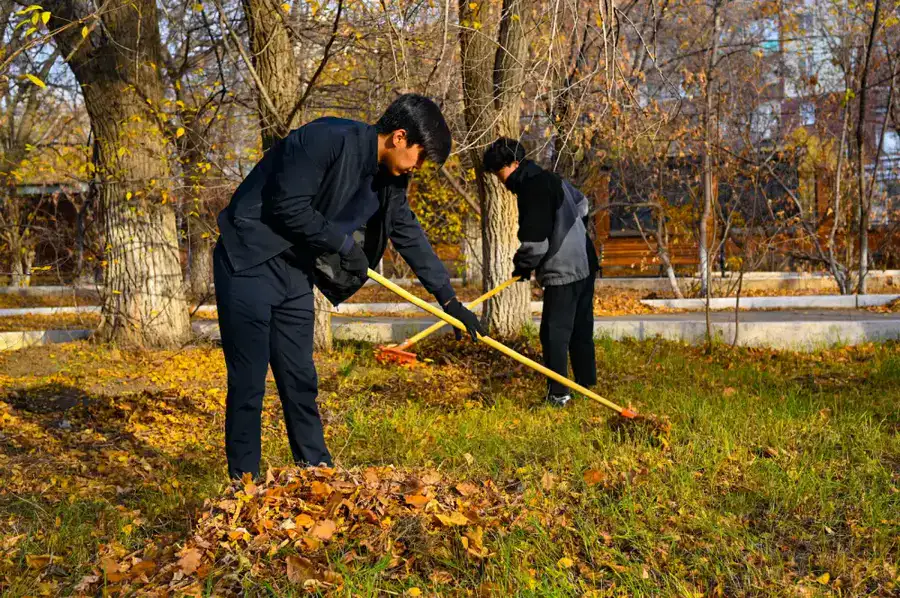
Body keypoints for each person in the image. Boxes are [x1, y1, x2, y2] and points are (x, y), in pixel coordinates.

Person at [214, 94, 484, 480]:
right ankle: (244, 485)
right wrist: (342, 246)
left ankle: (317, 474)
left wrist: (449, 300)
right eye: (420, 156)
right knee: (249, 382)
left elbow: (408, 233)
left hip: (295, 270)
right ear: (399, 137)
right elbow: (287, 206)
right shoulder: (324, 139)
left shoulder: (390, 180)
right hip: (248, 257)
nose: (418, 167)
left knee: (300, 378)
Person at [483, 138, 599, 406]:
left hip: (564, 268)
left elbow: (535, 242)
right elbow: (583, 205)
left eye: (500, 173)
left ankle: (559, 395)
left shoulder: (531, 187)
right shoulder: (551, 178)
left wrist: (523, 266)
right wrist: (571, 231)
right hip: (585, 260)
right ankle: (586, 385)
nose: (501, 180)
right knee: (580, 328)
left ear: (514, 164)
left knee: (553, 333)